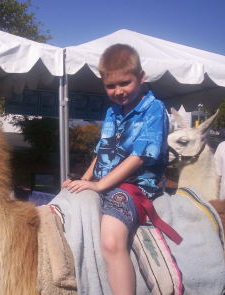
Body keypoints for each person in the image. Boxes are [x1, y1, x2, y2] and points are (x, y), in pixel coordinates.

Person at [62, 44, 169, 295]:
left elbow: (139, 157)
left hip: (136, 185)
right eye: (111, 86)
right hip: (105, 179)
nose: (118, 91)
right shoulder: (112, 112)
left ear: (141, 77)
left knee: (110, 241)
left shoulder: (155, 109)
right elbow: (103, 149)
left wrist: (99, 185)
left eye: (125, 83)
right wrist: (85, 178)